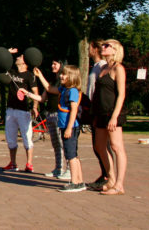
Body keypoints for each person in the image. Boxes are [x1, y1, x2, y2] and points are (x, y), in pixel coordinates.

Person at [29, 65, 86, 192]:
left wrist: (69, 128)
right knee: (73, 155)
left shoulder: (73, 91)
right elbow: (49, 88)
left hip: (69, 127)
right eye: (61, 74)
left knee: (70, 155)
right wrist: (40, 76)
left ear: (72, 77)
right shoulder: (64, 89)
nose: (61, 76)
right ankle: (80, 181)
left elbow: (74, 110)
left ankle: (75, 182)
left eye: (64, 74)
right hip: (65, 126)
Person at [92, 39, 128, 195]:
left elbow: (121, 95)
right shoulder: (103, 67)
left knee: (116, 147)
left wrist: (114, 117)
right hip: (100, 113)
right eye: (103, 45)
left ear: (115, 50)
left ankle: (119, 185)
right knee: (99, 147)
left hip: (112, 113)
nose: (103, 47)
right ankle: (111, 179)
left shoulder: (118, 68)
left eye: (107, 46)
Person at [2, 51, 39, 173]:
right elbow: (1, 61)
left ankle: (29, 163)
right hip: (10, 110)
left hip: (23, 111)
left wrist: (35, 106)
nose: (17, 57)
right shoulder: (11, 72)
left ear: (25, 62)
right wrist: (7, 52)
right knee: (11, 138)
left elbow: (35, 92)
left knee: (27, 137)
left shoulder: (29, 75)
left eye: (20, 56)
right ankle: (13, 164)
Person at [40, 59, 70, 180]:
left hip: (60, 115)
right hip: (50, 114)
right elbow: (42, 97)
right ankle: (58, 168)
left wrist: (40, 75)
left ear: (62, 65)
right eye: (51, 63)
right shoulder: (53, 80)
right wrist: (28, 93)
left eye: (55, 63)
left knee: (63, 143)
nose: (52, 66)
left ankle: (69, 169)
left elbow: (50, 89)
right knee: (56, 144)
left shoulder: (64, 81)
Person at [86, 40, 109, 190]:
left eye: (89, 47)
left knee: (101, 145)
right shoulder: (95, 67)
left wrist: (95, 111)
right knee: (97, 146)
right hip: (92, 109)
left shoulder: (101, 66)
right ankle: (105, 174)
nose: (88, 50)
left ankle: (108, 175)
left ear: (94, 49)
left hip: (98, 110)